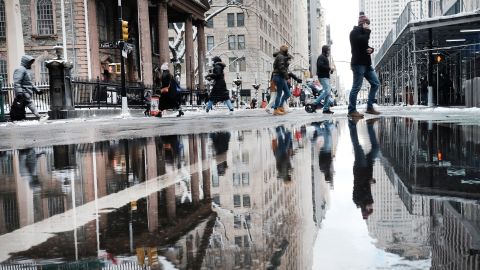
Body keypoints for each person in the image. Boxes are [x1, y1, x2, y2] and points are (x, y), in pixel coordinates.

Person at [348, 12, 381, 118]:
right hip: (358, 64)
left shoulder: (363, 32)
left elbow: (364, 45)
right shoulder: (354, 32)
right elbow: (362, 41)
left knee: (375, 83)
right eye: (367, 23)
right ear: (362, 23)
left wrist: (371, 49)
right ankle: (351, 110)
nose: (368, 25)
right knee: (356, 87)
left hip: (367, 64)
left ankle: (369, 107)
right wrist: (367, 31)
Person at [348, 118, 379, 220]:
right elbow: (366, 186)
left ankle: (352, 124)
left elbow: (359, 184)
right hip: (368, 167)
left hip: (360, 168)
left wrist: (368, 181)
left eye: (370, 209)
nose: (371, 206)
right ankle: (370, 125)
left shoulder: (357, 200)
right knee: (375, 148)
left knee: (357, 146)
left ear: (366, 209)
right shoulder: (368, 200)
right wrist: (370, 181)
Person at [13, 55, 48, 121]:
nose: (31, 64)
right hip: (24, 91)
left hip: (26, 91)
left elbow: (30, 83)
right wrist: (19, 92)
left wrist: (37, 90)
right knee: (30, 103)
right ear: (25, 62)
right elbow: (17, 82)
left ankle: (19, 119)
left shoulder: (25, 70)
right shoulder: (20, 69)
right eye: (30, 62)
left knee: (21, 105)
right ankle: (39, 116)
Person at [313, 45, 335, 114]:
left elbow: (325, 67)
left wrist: (331, 70)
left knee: (328, 93)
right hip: (323, 77)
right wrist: (329, 68)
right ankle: (315, 102)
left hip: (326, 76)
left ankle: (326, 109)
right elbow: (320, 66)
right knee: (327, 91)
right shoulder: (321, 57)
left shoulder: (325, 57)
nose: (329, 51)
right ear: (325, 50)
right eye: (328, 50)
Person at [271, 45, 292, 115]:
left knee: (288, 93)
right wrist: (287, 77)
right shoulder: (280, 57)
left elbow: (283, 65)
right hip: (279, 76)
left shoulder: (282, 56)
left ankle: (280, 107)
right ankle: (276, 109)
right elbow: (281, 67)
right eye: (287, 50)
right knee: (279, 93)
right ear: (285, 50)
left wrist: (287, 58)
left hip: (281, 76)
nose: (288, 51)